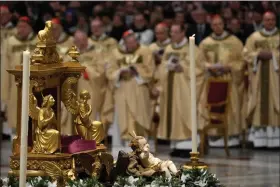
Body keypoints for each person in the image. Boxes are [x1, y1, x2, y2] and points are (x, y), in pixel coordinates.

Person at [156, 24, 204, 157]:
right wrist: (167, 67)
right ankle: (176, 145)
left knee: (185, 113)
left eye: (176, 32)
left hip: (185, 90)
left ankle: (188, 146)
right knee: (173, 115)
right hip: (171, 88)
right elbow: (161, 68)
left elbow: (200, 69)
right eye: (171, 32)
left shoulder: (193, 49)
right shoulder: (168, 49)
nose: (173, 35)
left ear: (183, 33)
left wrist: (183, 68)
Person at [198, 15, 244, 147]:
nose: (217, 27)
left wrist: (229, 67)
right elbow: (199, 62)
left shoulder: (235, 42)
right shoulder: (205, 43)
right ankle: (212, 136)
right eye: (214, 24)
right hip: (210, 80)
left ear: (224, 25)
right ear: (211, 26)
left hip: (229, 79)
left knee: (231, 106)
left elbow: (241, 61)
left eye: (220, 24)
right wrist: (208, 67)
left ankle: (231, 136)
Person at [106, 30, 155, 140]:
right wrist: (119, 72)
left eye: (133, 42)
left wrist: (137, 71)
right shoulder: (116, 53)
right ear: (124, 42)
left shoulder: (145, 51)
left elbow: (150, 71)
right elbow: (110, 72)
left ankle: (142, 143)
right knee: (125, 116)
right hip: (122, 88)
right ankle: (126, 143)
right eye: (129, 43)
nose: (131, 45)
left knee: (140, 115)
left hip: (139, 88)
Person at [243, 11, 279, 148]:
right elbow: (246, 53)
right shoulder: (254, 37)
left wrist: (273, 55)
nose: (270, 22)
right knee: (259, 103)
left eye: (272, 20)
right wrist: (258, 55)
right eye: (267, 20)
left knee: (275, 104)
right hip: (258, 79)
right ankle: (259, 141)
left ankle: (275, 140)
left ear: (275, 21)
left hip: (276, 79)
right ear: (263, 21)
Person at [1, 16, 37, 133]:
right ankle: (15, 147)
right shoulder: (9, 42)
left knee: (35, 119)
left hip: (34, 85)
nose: (20, 30)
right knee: (16, 118)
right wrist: (4, 94)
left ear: (30, 28)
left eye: (24, 27)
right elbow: (5, 67)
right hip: (15, 85)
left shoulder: (38, 41)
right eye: (19, 27)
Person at [73, 30, 113, 129]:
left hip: (91, 88)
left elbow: (100, 72)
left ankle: (90, 138)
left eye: (81, 40)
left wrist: (85, 69)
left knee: (89, 112)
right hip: (75, 88)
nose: (79, 43)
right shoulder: (72, 53)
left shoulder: (97, 53)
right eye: (77, 40)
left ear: (86, 39)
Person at [149, 22, 171, 129]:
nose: (159, 36)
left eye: (161, 33)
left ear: (167, 32)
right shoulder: (151, 47)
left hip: (168, 82)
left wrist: (161, 59)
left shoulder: (172, 47)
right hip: (155, 81)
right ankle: (155, 134)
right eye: (157, 33)